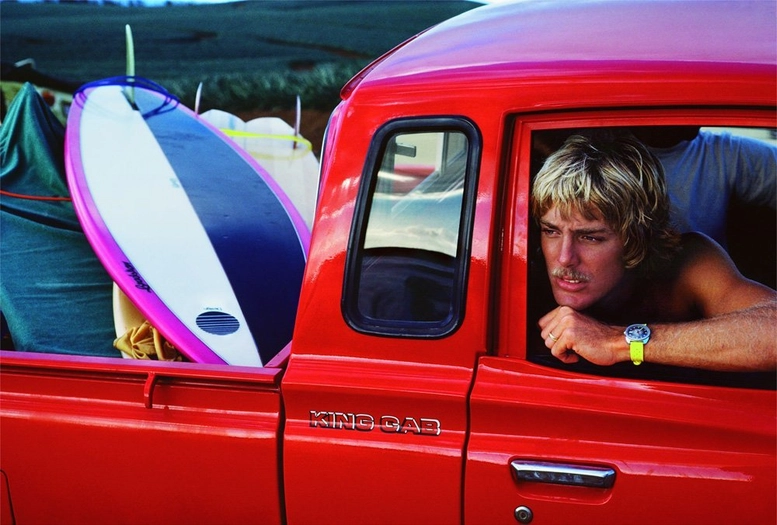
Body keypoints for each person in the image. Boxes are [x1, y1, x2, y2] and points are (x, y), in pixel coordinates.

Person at [531, 133, 776, 372]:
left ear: (637, 237)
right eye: (551, 231)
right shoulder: (516, 270)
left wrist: (617, 342)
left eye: (591, 237)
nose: (564, 258)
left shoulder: (682, 264)